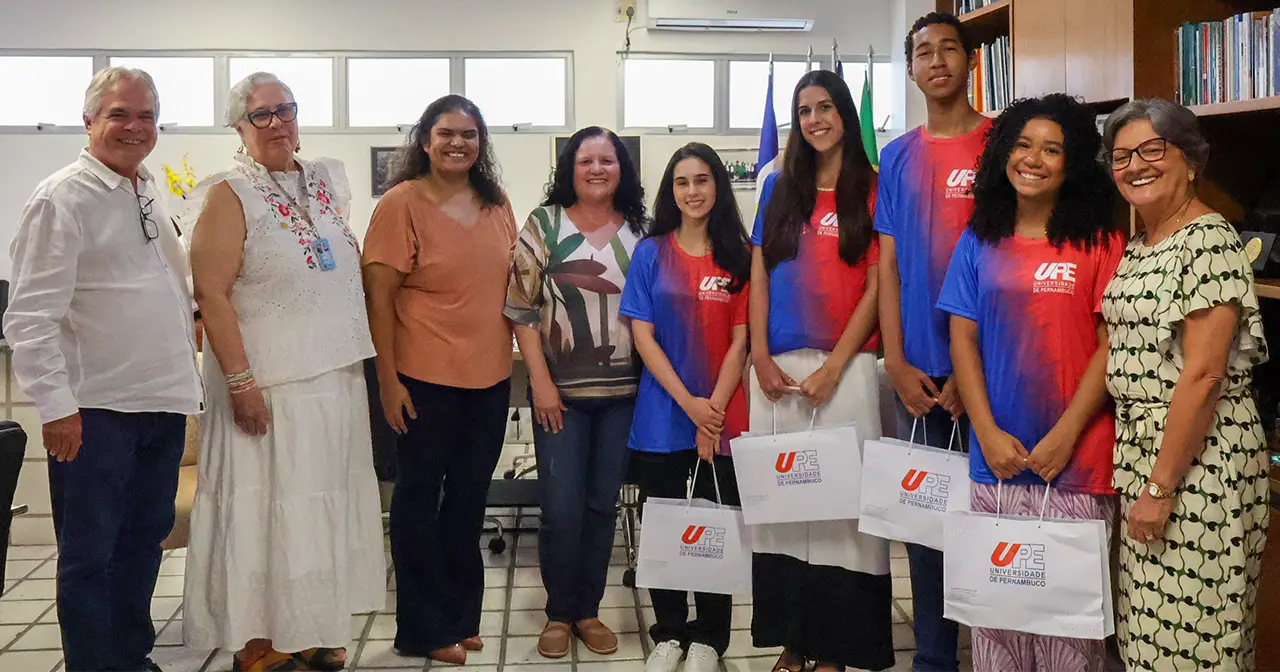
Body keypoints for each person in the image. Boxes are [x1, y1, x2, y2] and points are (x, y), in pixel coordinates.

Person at [180, 72, 386, 672]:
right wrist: (241, 384)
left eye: (285, 111)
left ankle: (312, 626)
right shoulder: (226, 192)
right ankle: (259, 634)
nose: (277, 124)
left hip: (334, 377)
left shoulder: (325, 179)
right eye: (261, 114)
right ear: (239, 126)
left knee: (320, 506)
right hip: (267, 384)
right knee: (268, 507)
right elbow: (212, 295)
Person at [4, 66, 204, 672]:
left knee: (143, 544)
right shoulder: (62, 198)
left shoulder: (144, 188)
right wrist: (57, 407)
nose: (134, 127)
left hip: (162, 405)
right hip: (96, 412)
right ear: (89, 120)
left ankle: (130, 658)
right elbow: (30, 317)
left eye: (146, 116)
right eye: (119, 114)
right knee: (91, 556)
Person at [936, 94, 1124, 671]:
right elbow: (962, 340)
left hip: (1079, 460)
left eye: (1052, 148)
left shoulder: (1100, 242)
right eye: (1022, 144)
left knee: (1069, 633)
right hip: (997, 457)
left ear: (1073, 163)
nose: (1033, 158)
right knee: (999, 623)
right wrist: (986, 431)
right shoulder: (978, 240)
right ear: (1003, 154)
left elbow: (1111, 344)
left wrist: (1067, 435)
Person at [1098, 99, 1270, 672]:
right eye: (1122, 156)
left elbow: (1203, 374)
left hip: (1200, 463)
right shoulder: (1144, 240)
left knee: (1198, 642)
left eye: (1153, 149)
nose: (1136, 165)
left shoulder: (1209, 239)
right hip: (1152, 454)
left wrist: (1161, 488)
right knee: (1150, 639)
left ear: (1190, 160)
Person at [361, 95, 518, 664]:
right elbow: (378, 302)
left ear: (481, 143)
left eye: (470, 135)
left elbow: (513, 283)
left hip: (491, 379)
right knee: (419, 501)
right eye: (447, 133)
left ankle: (460, 617)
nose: (459, 144)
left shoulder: (495, 202)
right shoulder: (401, 203)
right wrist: (387, 381)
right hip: (422, 379)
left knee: (469, 501)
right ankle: (422, 628)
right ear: (424, 140)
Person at [749, 69, 892, 672]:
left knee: (845, 514)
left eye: (826, 106)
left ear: (845, 116)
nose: (815, 119)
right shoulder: (777, 188)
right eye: (804, 110)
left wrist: (837, 366)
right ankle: (793, 639)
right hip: (777, 370)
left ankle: (837, 647)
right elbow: (758, 272)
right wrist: (758, 352)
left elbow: (880, 283)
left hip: (848, 369)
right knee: (783, 511)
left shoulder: (876, 188)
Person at [875, 13, 993, 671]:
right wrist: (895, 357)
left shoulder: (1005, 145)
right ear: (913, 69)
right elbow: (888, 267)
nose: (938, 59)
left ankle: (999, 653)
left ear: (971, 61)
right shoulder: (897, 156)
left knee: (993, 520)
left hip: (994, 375)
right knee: (928, 527)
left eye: (951, 47)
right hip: (919, 375)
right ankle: (933, 658)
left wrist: (969, 371)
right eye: (924, 51)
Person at [505, 126, 647, 659]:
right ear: (569, 168)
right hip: (559, 395)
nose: (596, 169)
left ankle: (588, 609)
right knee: (561, 508)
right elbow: (520, 309)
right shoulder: (543, 225)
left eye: (607, 160)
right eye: (585, 160)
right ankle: (558, 612)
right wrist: (540, 382)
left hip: (625, 394)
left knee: (600, 506)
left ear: (621, 168)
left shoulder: (641, 228)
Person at [619, 143, 751, 672]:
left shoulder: (740, 254)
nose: (692, 191)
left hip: (723, 418)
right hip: (662, 416)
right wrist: (689, 406)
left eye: (702, 180)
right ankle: (669, 633)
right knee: (668, 530)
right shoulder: (651, 253)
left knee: (715, 530)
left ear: (718, 186)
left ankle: (710, 639)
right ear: (670, 191)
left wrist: (711, 412)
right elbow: (643, 336)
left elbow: (742, 341)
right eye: (681, 182)